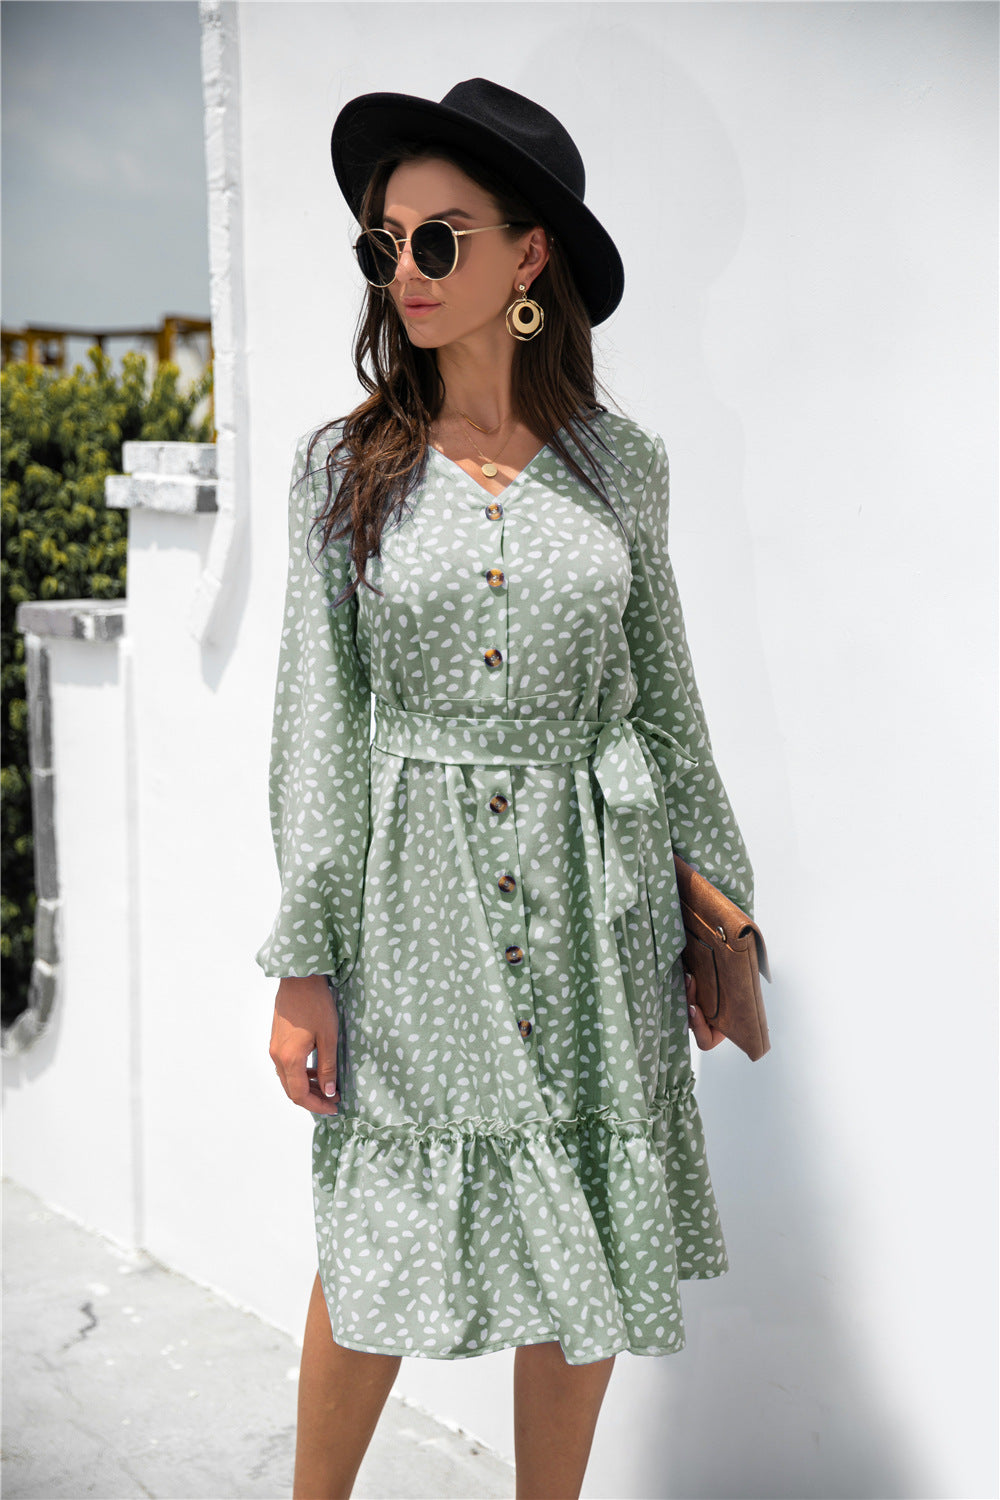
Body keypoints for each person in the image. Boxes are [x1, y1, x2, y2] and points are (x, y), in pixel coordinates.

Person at [259, 78, 756, 1500]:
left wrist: (722, 917)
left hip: (601, 899)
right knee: (381, 1229)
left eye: (439, 239)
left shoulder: (622, 468)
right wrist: (304, 960)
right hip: (415, 906)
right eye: (385, 244)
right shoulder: (341, 472)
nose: (405, 271)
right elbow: (316, 728)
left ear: (529, 256)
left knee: (583, 1218)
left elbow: (668, 701)